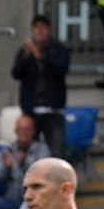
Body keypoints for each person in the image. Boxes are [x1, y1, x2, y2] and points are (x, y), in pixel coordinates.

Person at [12, 16, 70, 161]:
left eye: (43, 27)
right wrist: (26, 57)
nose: (40, 30)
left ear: (49, 30)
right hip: (30, 111)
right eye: (36, 27)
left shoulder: (59, 49)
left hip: (53, 111)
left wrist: (40, 56)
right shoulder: (25, 50)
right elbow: (16, 74)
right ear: (32, 30)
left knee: (56, 154)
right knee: (28, 154)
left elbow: (61, 68)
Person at [0, 116, 51, 209]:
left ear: (33, 131)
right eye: (20, 129)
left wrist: (22, 164)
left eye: (27, 129)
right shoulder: (8, 149)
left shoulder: (42, 149)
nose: (23, 133)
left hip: (33, 200)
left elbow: (40, 175)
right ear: (16, 131)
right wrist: (6, 167)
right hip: (10, 199)